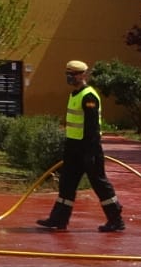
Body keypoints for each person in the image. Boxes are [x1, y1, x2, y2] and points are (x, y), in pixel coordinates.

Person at [37, 60, 126, 232]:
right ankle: (58, 219)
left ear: (83, 75)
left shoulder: (88, 96)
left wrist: (89, 151)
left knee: (99, 183)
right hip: (73, 147)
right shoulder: (74, 95)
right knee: (67, 184)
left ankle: (116, 219)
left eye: (73, 74)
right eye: (68, 74)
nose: (70, 77)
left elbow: (92, 127)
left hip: (88, 148)